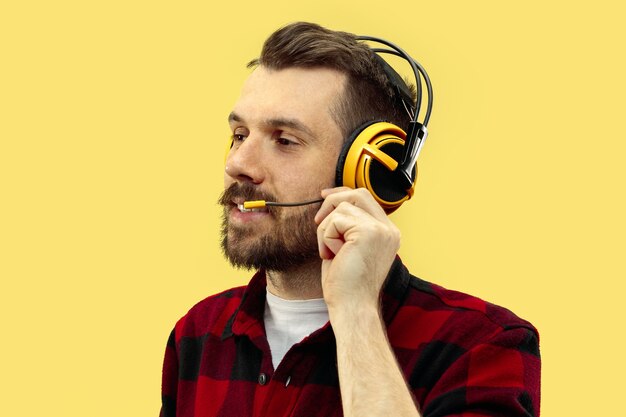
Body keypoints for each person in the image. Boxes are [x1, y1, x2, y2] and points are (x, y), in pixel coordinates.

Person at [160, 22, 541, 417]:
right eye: (240, 135)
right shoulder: (197, 334)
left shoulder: (484, 343)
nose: (238, 164)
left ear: (369, 172)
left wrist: (356, 313)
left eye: (285, 140)